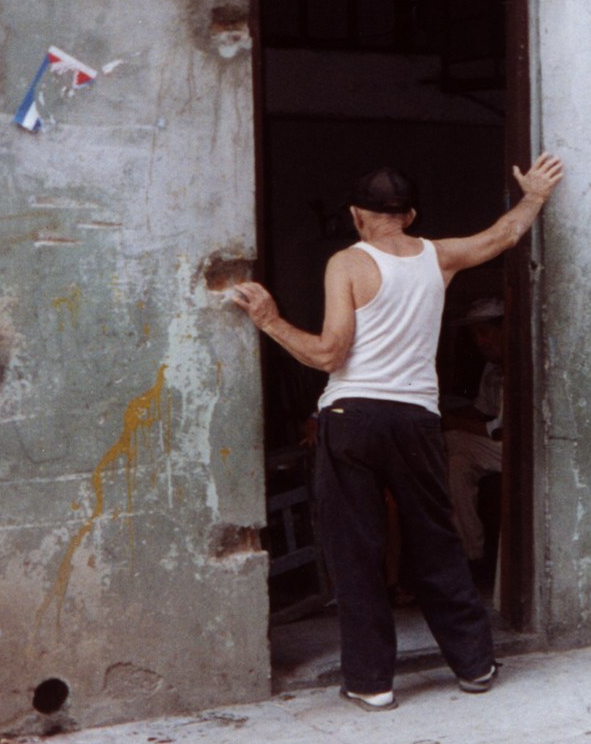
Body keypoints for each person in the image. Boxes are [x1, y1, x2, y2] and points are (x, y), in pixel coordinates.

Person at [231, 154, 564, 711]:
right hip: (415, 419)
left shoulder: (348, 262)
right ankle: (476, 665)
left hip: (353, 416)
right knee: (437, 541)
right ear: (408, 214)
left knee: (356, 550)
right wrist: (534, 195)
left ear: (359, 215)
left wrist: (270, 321)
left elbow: (329, 352)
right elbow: (505, 234)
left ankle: (371, 682)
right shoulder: (439, 256)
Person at [443, 297, 507, 588]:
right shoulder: (491, 369)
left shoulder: (519, 366)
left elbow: (498, 430)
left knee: (453, 439)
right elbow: (481, 410)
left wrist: (451, 423)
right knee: (457, 466)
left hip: (523, 451)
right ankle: (473, 556)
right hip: (495, 450)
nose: (480, 341)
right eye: (476, 336)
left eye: (485, 333)